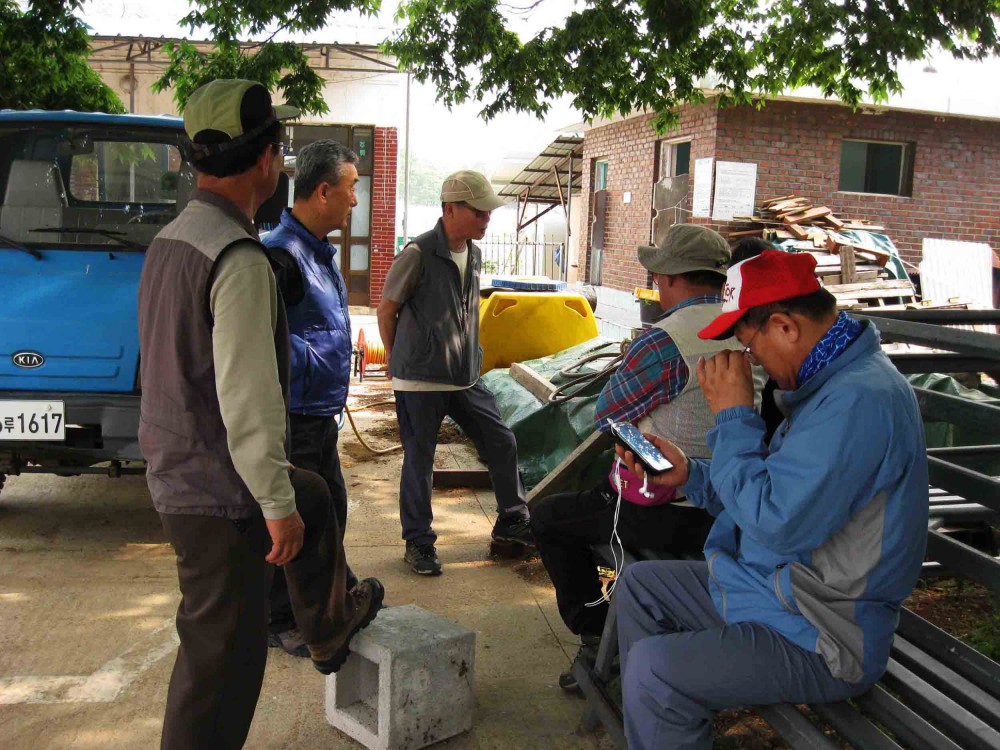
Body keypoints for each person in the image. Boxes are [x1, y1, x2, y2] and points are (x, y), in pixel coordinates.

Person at [137, 79, 384, 750]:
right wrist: (275, 504)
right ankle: (322, 627)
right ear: (269, 160)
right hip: (219, 493)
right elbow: (246, 398)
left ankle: (328, 627)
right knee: (222, 668)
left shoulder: (173, 240)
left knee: (315, 497)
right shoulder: (239, 257)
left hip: (177, 469)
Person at [614, 250, 928, 750]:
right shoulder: (827, 386)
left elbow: (776, 523)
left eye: (749, 343)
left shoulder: (858, 401)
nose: (749, 359)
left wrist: (733, 416)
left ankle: (656, 705)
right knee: (641, 587)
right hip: (772, 590)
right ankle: (654, 723)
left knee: (656, 670)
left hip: (822, 629)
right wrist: (691, 475)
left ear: (784, 327)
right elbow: (772, 495)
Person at [531, 224, 748, 691]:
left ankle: (598, 637)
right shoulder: (750, 329)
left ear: (669, 278)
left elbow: (607, 413)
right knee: (586, 508)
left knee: (549, 518)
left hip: (669, 508)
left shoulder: (666, 340)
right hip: (738, 508)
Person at [376, 170, 533, 576]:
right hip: (420, 380)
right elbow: (386, 308)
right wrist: (400, 360)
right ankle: (419, 543)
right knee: (420, 460)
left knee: (501, 441)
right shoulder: (418, 253)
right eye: (478, 212)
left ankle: (513, 520)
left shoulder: (475, 254)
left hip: (465, 376)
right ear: (449, 209)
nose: (486, 219)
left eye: (487, 213)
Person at [262, 139, 360, 657]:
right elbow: (263, 339)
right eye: (351, 189)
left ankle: (327, 605)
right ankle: (282, 618)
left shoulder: (317, 251)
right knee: (295, 521)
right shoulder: (281, 254)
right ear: (324, 191)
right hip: (294, 415)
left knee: (333, 509)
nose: (355, 201)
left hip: (320, 415)